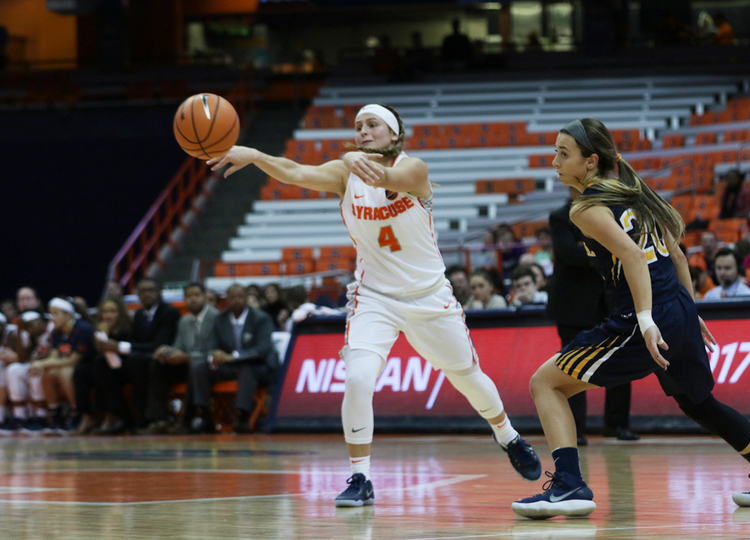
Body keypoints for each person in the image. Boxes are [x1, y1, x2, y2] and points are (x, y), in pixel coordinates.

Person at [209, 102, 542, 507]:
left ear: (394, 133)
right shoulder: (344, 173)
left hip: (428, 296)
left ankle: (508, 436)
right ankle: (360, 477)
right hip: (375, 297)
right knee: (358, 378)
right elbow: (296, 172)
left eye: (372, 125)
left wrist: (352, 158)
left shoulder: (413, 168)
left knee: (467, 376)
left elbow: (385, 176)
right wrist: (256, 156)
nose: (363, 131)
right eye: (358, 126)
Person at [512, 118, 750, 519]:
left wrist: (647, 319)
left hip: (640, 317)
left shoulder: (586, 208)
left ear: (591, 161)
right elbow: (678, 256)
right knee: (700, 403)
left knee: (545, 383)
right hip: (676, 307)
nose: (554, 162)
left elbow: (633, 256)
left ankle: (569, 485)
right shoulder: (635, 193)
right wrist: (689, 312)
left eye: (564, 154)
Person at [547, 186, 637, 445]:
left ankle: (617, 424)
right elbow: (569, 253)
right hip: (573, 305)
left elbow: (627, 247)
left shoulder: (610, 213)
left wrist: (590, 246)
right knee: (573, 367)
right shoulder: (560, 216)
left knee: (620, 360)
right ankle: (575, 429)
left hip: (612, 301)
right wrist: (607, 244)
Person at [188, 284, 278, 434]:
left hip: (259, 366)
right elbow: (212, 344)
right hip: (230, 366)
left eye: (240, 297)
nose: (237, 300)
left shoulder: (261, 318)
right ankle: (205, 415)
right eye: (232, 297)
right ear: (226, 300)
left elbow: (263, 349)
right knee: (199, 367)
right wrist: (215, 353)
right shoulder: (220, 318)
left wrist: (233, 356)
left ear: (246, 298)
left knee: (247, 369)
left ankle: (243, 417)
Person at [94, 277, 180, 429]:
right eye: (142, 291)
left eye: (150, 290)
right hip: (138, 361)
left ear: (159, 292)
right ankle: (119, 415)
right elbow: (134, 341)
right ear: (137, 294)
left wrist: (119, 347)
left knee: (136, 361)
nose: (147, 294)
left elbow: (159, 344)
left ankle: (142, 418)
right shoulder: (139, 314)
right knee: (102, 363)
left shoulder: (169, 312)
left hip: (161, 361)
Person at [143, 282, 216, 434]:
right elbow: (178, 347)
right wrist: (167, 351)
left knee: (195, 367)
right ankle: (159, 419)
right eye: (189, 296)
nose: (193, 299)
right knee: (158, 364)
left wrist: (187, 357)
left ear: (205, 297)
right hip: (188, 363)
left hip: (210, 366)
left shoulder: (216, 317)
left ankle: (186, 420)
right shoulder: (184, 321)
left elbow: (216, 350)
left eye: (197, 295)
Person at [30, 298, 96, 433]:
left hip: (87, 366)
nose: (52, 318)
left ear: (68, 314)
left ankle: (78, 413)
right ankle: (55, 414)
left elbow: (73, 360)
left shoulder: (83, 328)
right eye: (51, 314)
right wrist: (39, 365)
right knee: (47, 374)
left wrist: (41, 363)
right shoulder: (57, 331)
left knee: (65, 372)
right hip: (68, 365)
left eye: (56, 313)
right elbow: (54, 357)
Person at [92, 296, 132, 434]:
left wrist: (104, 336)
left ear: (120, 313)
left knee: (102, 365)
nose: (108, 315)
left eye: (112, 311)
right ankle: (91, 415)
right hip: (110, 369)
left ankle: (115, 416)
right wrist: (103, 334)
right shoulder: (99, 328)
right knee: (86, 370)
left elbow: (119, 358)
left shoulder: (128, 329)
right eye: (105, 311)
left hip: (130, 367)